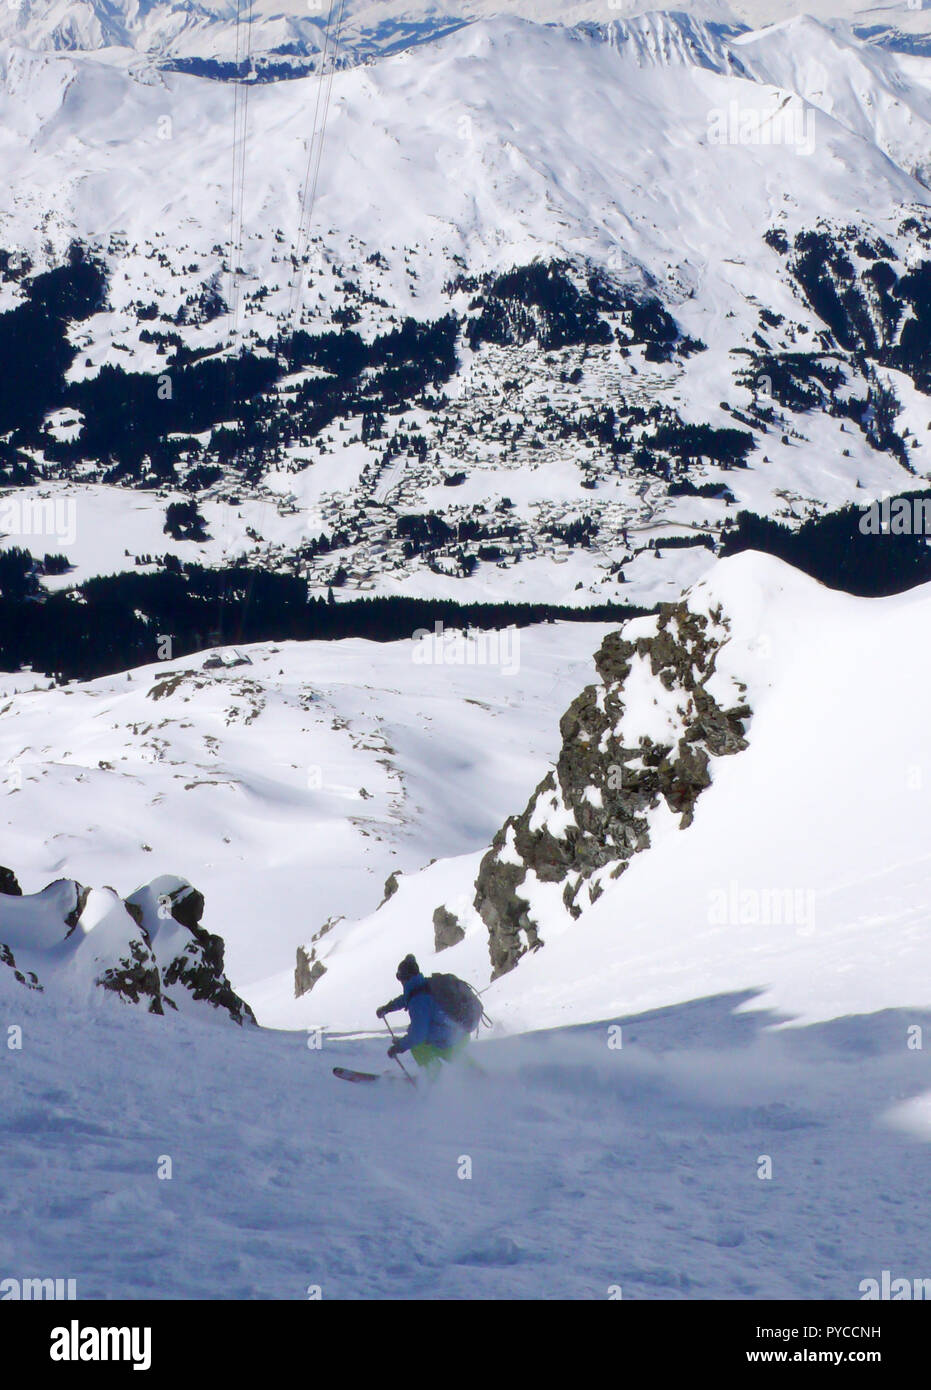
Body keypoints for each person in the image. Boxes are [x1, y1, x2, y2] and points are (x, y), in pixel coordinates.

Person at [376, 954, 469, 1076]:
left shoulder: (418, 1001)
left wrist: (399, 1047)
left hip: (448, 1038)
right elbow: (407, 999)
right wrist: (388, 1008)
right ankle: (476, 1074)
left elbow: (417, 1035)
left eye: (400, 978)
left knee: (418, 1046)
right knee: (455, 1056)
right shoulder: (425, 986)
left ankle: (434, 1079)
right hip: (460, 1033)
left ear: (405, 978)